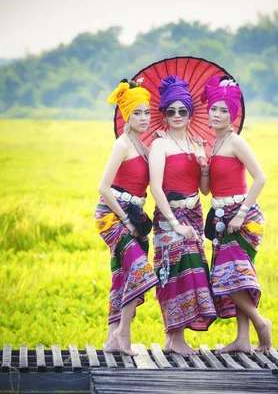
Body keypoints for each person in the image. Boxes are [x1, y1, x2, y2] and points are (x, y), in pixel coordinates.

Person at [200, 75, 272, 354]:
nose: (217, 114)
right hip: (220, 219)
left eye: (223, 111)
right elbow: (206, 191)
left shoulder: (236, 142)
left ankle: (260, 323)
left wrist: (241, 214)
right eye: (214, 109)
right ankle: (242, 339)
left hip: (242, 218)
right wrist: (205, 170)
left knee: (227, 276)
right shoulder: (213, 144)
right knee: (236, 277)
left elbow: (260, 178)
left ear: (233, 116)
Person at [149, 75, 217, 355]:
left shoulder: (196, 144)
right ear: (164, 114)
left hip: (194, 215)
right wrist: (175, 224)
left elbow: (204, 190)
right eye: (171, 111)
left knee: (193, 271)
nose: (177, 116)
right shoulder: (159, 145)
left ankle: (175, 340)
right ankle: (174, 339)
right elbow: (155, 188)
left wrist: (203, 165)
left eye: (182, 111)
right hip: (169, 218)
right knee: (172, 272)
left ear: (190, 114)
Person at [95, 78, 159, 356]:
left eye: (147, 112)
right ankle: (123, 334)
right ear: (126, 116)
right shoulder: (122, 144)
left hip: (133, 214)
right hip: (113, 215)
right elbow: (103, 187)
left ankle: (112, 340)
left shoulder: (143, 144)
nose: (144, 118)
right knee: (139, 269)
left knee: (122, 276)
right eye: (137, 113)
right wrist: (125, 220)